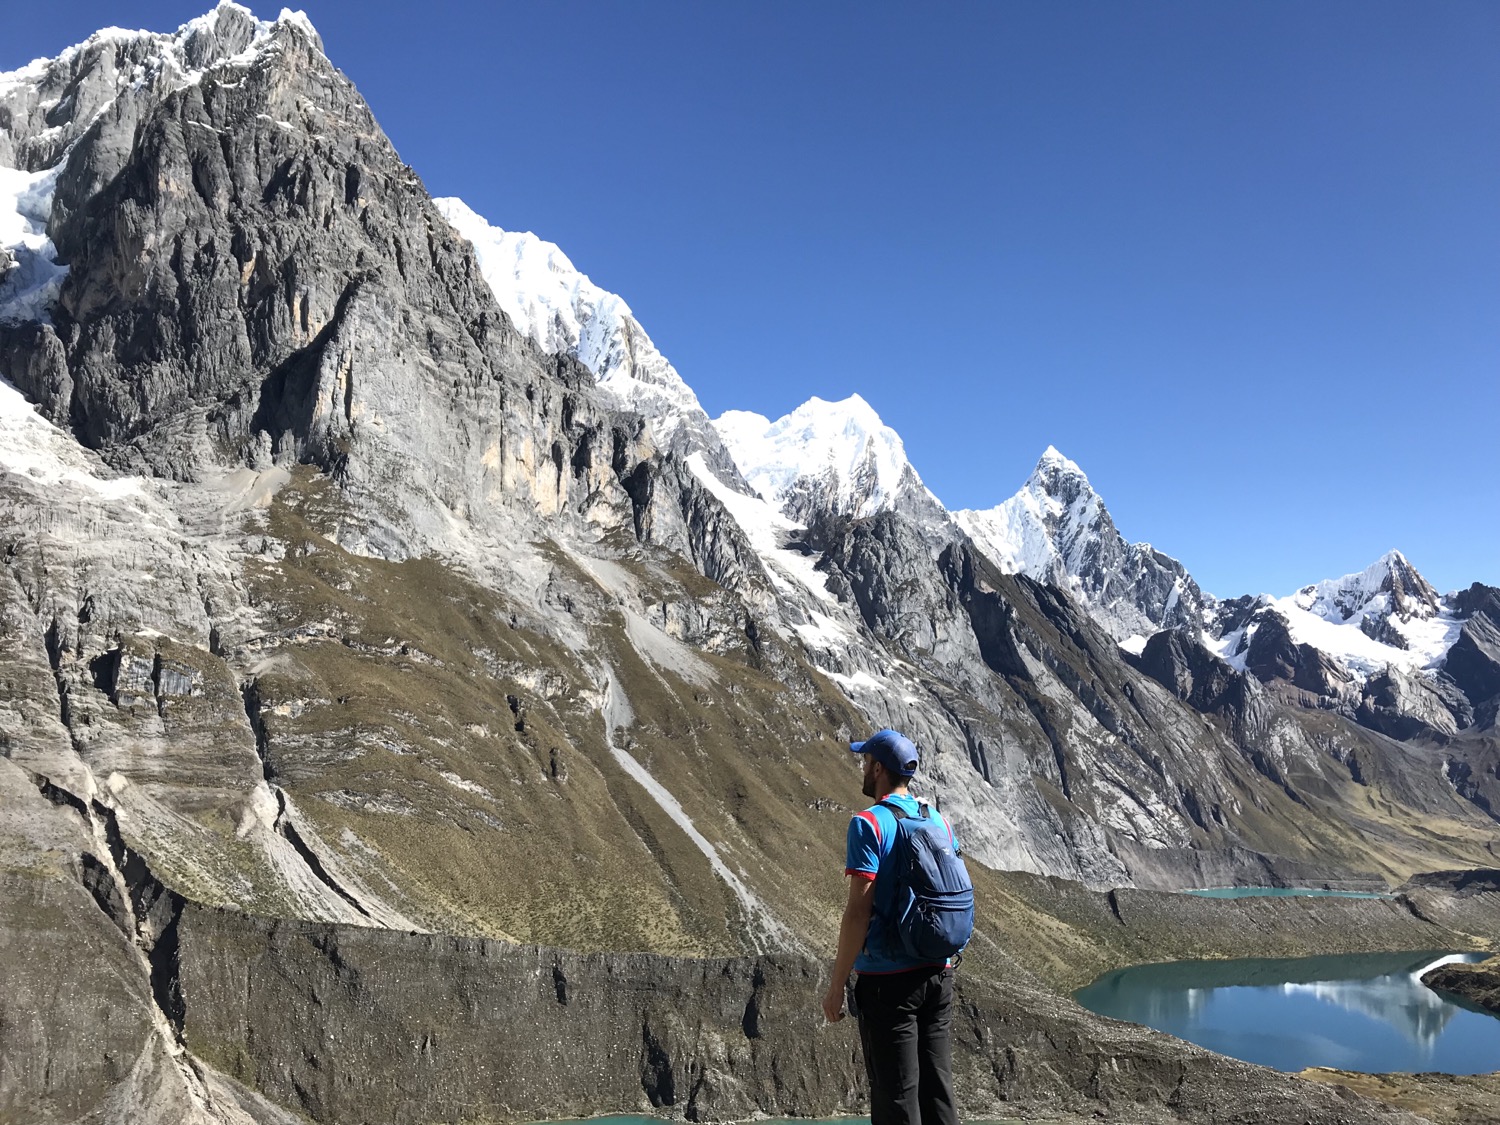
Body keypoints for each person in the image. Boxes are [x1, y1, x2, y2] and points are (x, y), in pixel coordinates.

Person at [822, 728, 961, 1125]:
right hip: (939, 973)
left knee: (896, 1097)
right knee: (938, 1092)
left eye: (866, 762)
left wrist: (837, 985)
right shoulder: (937, 819)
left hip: (888, 983)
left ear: (879, 768)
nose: (863, 769)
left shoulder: (868, 824)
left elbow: (857, 914)